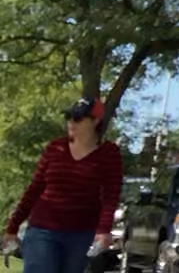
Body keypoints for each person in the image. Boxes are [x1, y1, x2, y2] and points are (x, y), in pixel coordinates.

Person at [4, 98, 123, 273]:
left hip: (81, 233)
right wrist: (13, 227)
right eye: (69, 117)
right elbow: (34, 188)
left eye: (78, 118)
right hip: (43, 229)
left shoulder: (109, 153)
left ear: (96, 121)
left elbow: (111, 195)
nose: (71, 122)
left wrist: (104, 229)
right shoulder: (55, 148)